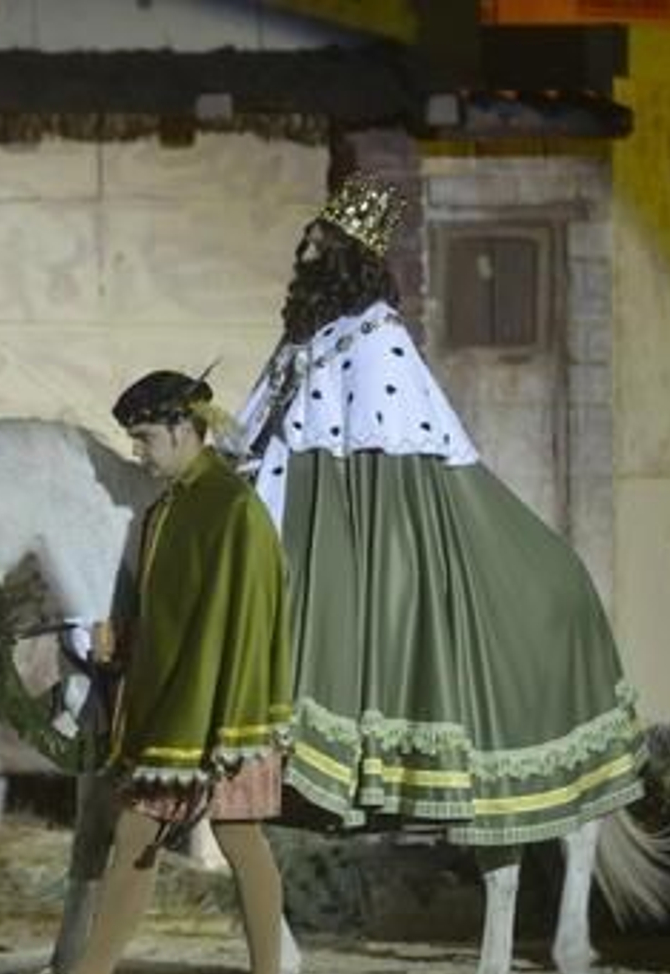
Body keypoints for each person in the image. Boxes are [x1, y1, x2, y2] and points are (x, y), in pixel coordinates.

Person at [233, 171, 646, 846]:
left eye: (321, 242)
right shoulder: (304, 338)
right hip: (283, 496)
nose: (306, 251)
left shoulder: (376, 339)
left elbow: (391, 453)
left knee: (367, 596)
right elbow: (257, 425)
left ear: (348, 257)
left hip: (338, 510)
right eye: (308, 240)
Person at [0, 370, 299, 974]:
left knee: (237, 840)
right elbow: (178, 616)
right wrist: (124, 641)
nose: (138, 454)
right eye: (134, 440)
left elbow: (248, 622)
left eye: (146, 439)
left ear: (187, 429)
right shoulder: (171, 507)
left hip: (225, 719)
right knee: (142, 837)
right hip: (175, 714)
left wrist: (228, 726)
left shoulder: (232, 509)